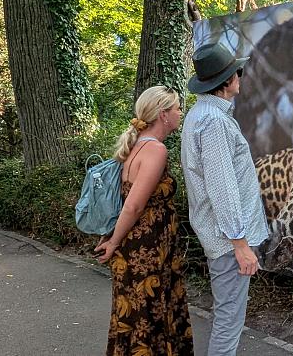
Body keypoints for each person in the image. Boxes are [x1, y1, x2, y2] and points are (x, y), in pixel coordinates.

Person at [181, 42, 269, 356]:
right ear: (227, 82)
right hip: (228, 243)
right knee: (229, 319)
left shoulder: (200, 115)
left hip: (224, 239)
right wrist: (241, 245)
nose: (240, 78)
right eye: (237, 73)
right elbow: (222, 187)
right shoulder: (214, 123)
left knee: (228, 314)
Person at [94, 86, 194, 356]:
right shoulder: (155, 151)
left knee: (135, 315)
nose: (179, 113)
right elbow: (134, 205)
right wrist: (113, 242)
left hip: (140, 248)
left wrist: (114, 237)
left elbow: (124, 202)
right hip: (147, 251)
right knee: (149, 314)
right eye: (176, 108)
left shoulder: (134, 147)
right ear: (163, 114)